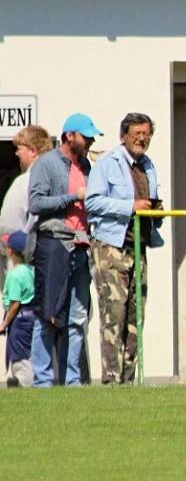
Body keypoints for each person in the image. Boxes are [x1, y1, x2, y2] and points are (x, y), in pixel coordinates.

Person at [85, 112, 163, 385]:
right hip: (110, 247)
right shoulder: (108, 163)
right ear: (123, 136)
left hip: (139, 247)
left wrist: (157, 211)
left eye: (146, 134)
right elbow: (92, 203)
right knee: (113, 314)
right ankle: (111, 380)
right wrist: (129, 207)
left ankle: (129, 381)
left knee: (135, 315)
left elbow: (149, 203)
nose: (142, 139)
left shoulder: (148, 166)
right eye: (136, 134)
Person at [28, 112, 101, 388]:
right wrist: (74, 197)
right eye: (86, 135)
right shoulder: (47, 164)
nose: (91, 140)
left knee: (77, 317)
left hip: (82, 247)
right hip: (54, 244)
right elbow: (36, 204)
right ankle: (42, 382)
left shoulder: (86, 166)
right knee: (47, 314)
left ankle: (73, 383)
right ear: (69, 135)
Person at [0, 126, 52, 286]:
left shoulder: (23, 182)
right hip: (54, 264)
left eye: (19, 148)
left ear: (33, 151)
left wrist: (5, 249)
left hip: (24, 265)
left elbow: (7, 227)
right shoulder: (58, 178)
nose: (16, 153)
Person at [1, 231, 35, 387]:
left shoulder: (15, 275)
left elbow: (15, 304)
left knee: (19, 357)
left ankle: (23, 383)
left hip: (19, 319)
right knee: (29, 354)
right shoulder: (30, 270)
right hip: (30, 315)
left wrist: (4, 324)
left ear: (10, 251)